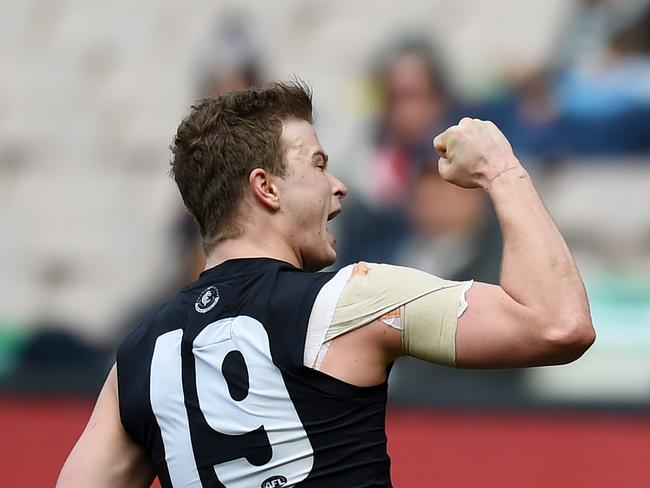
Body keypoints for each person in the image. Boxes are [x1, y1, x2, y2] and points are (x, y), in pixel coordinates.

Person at [57, 82, 595, 487]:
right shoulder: (348, 300)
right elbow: (558, 323)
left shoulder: (138, 360)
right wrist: (501, 171)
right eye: (318, 165)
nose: (338, 188)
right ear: (265, 188)